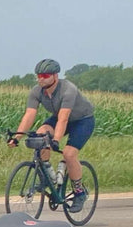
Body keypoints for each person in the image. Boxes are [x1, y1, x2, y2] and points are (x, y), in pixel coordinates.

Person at [9, 58, 95, 212]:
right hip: (59, 118)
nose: (41, 79)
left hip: (82, 121)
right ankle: (47, 178)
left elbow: (63, 119)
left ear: (55, 76)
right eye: (39, 76)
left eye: (45, 76)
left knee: (69, 154)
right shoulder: (37, 91)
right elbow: (29, 115)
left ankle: (79, 192)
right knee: (40, 136)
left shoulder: (68, 89)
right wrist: (17, 137)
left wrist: (56, 140)